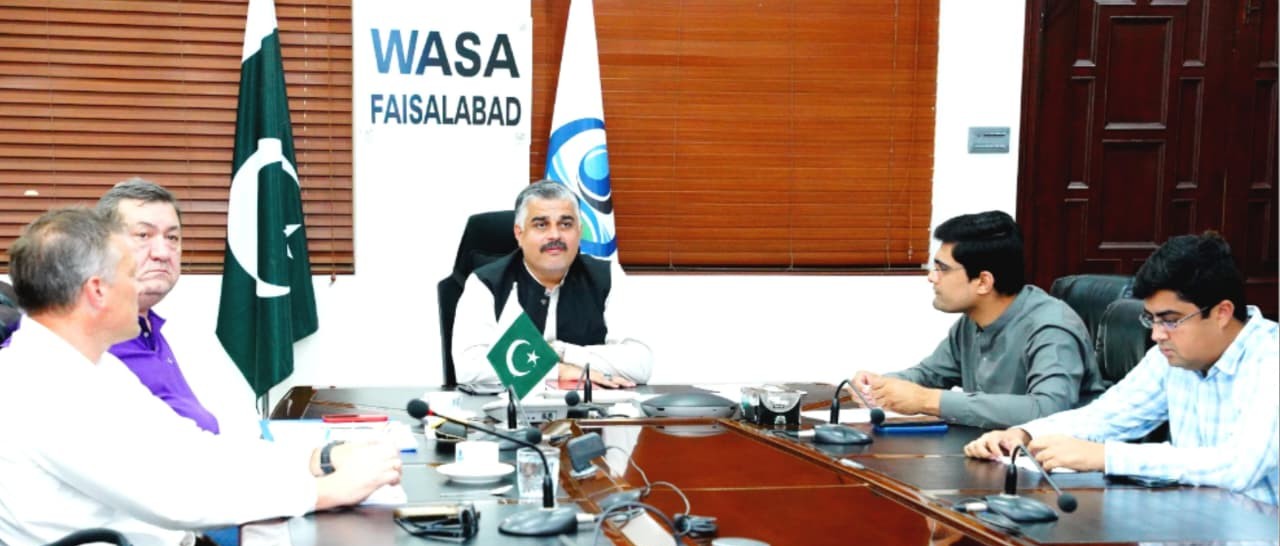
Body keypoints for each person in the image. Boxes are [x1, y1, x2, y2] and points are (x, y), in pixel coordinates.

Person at [0, 208, 403, 546]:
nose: (140, 286)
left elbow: (193, 449)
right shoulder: (37, 390)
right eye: (130, 274)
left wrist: (319, 460)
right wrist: (324, 492)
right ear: (97, 291)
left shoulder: (95, 366)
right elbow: (173, 499)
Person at [964, 233, 1278, 505]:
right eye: (1151, 319)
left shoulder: (1270, 360)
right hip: (1189, 521)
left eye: (1170, 320)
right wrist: (1025, 434)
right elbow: (1109, 415)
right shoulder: (1172, 356)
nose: (1157, 335)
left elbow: (1238, 466)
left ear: (1222, 312)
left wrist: (1106, 456)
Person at [851, 211, 1104, 428]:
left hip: (1052, 464)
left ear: (983, 281)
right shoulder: (972, 321)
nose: (931, 277)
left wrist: (927, 400)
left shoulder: (1052, 327)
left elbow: (1048, 409)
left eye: (942, 269)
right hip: (989, 450)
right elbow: (929, 374)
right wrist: (880, 386)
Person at [94, 178, 258, 438]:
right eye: (143, 235)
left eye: (172, 237)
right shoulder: (87, 342)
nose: (162, 253)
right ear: (101, 247)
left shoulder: (172, 332)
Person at [452, 180, 653, 387]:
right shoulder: (486, 283)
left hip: (590, 405)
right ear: (519, 233)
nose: (555, 235)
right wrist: (559, 371)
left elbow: (640, 364)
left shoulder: (607, 277)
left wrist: (560, 351)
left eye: (565, 224)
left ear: (579, 231)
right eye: (541, 225)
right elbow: (469, 368)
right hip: (511, 406)